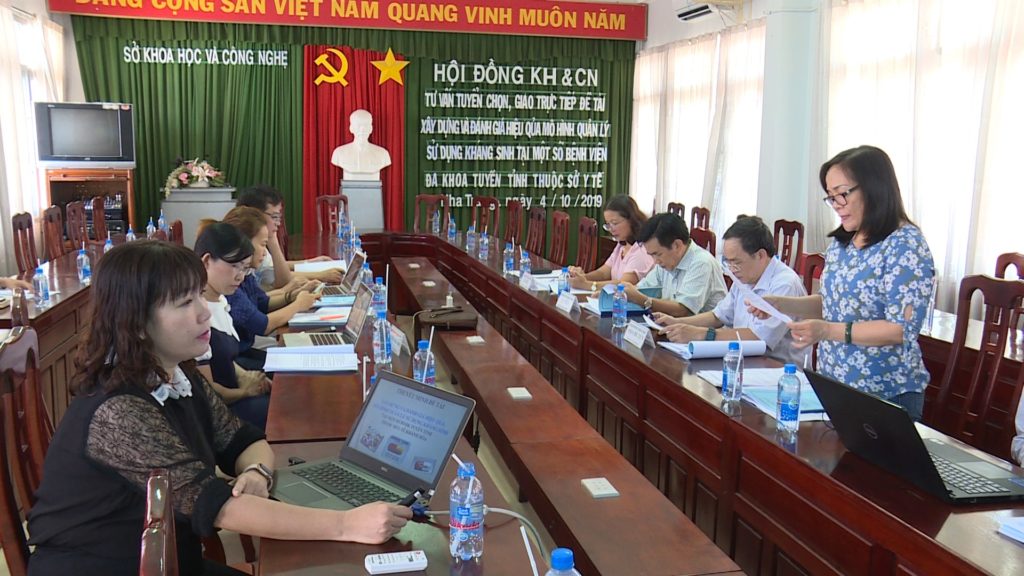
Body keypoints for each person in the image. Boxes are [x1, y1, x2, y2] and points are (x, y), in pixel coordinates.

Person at [25, 241, 411, 576]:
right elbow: (221, 508)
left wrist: (257, 471)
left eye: (199, 296)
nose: (204, 313)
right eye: (184, 303)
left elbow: (244, 440)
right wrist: (345, 524)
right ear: (137, 323)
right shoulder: (119, 410)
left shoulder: (176, 375)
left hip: (168, 562)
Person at [750, 146, 935, 421]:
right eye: (831, 197)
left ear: (874, 187)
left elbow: (899, 329)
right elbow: (831, 303)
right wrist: (780, 303)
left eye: (843, 194)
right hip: (835, 384)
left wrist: (826, 331)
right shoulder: (842, 243)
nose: (836, 204)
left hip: (885, 392)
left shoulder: (905, 244)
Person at [653, 216, 807, 364]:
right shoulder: (745, 276)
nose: (732, 270)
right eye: (728, 263)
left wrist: (702, 334)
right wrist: (677, 323)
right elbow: (718, 316)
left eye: (736, 262)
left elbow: (758, 339)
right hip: (743, 359)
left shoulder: (784, 284)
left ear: (760, 255)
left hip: (777, 370)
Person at [194, 221, 272, 430]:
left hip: (232, 396)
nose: (239, 275)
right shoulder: (196, 314)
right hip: (219, 415)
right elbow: (208, 392)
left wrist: (246, 377)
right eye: (233, 266)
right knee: (281, 412)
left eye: (244, 268)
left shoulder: (220, 299)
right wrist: (246, 391)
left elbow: (223, 357)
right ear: (207, 261)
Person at [220, 207, 319, 370]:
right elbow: (263, 325)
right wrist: (298, 304)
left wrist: (293, 295)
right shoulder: (230, 283)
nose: (265, 253)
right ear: (244, 242)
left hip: (245, 353)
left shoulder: (245, 274)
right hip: (238, 361)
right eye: (263, 245)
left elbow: (263, 302)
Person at [236, 185, 342, 288]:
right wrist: (321, 276)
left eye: (279, 217)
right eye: (274, 217)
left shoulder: (257, 241)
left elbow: (273, 266)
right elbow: (280, 279)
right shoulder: (244, 248)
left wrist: (310, 262)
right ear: (255, 214)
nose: (278, 223)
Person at [625, 212, 727, 316]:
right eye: (651, 255)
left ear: (677, 245)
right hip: (675, 327)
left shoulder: (702, 263)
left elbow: (683, 310)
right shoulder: (665, 262)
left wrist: (643, 300)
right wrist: (629, 292)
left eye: (658, 254)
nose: (655, 261)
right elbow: (644, 290)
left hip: (706, 330)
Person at [568, 195, 655, 291]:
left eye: (615, 223)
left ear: (632, 220)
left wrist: (586, 285)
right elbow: (604, 272)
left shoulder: (642, 250)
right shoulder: (622, 244)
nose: (611, 229)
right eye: (608, 224)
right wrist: (582, 277)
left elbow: (623, 284)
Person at [331, 109, 392, 180]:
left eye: (366, 125)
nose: (362, 129)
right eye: (358, 125)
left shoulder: (383, 154)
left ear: (371, 128)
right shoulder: (339, 153)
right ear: (351, 128)